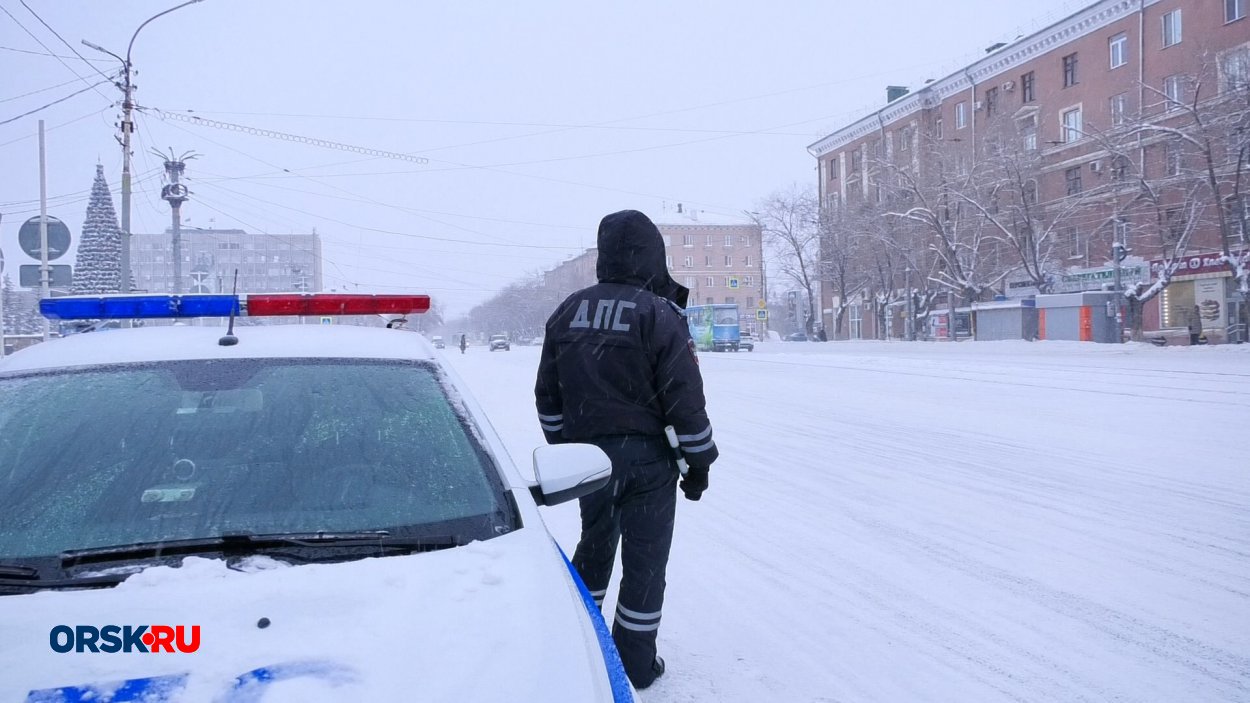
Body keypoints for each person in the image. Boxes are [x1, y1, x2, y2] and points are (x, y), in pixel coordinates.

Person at [534, 209, 718, 690]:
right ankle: (635, 661)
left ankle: (579, 642)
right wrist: (698, 465)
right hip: (649, 465)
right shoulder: (659, 315)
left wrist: (568, 450)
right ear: (651, 255)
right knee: (645, 561)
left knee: (594, 547)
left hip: (590, 463)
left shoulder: (567, 311)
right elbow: (685, 401)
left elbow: (547, 396)